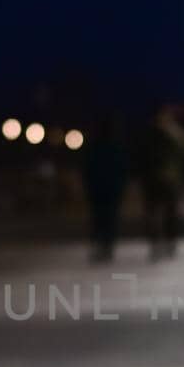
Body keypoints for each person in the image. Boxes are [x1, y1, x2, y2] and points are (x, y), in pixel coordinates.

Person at [136, 103, 184, 259]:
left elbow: (183, 153)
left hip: (169, 178)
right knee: (153, 213)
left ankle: (169, 241)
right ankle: (156, 242)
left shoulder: (174, 133)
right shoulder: (150, 134)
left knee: (169, 213)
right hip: (153, 179)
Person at [81, 111, 130, 262]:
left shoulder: (97, 146)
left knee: (101, 218)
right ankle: (105, 246)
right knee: (108, 218)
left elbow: (87, 167)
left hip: (101, 187)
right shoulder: (114, 146)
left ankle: (103, 245)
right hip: (108, 188)